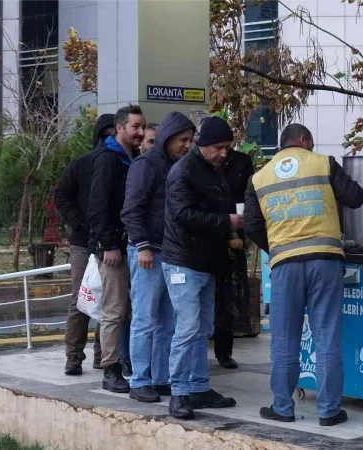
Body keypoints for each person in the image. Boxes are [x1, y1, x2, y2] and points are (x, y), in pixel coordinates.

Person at [244, 123, 363, 427]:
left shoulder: (259, 177)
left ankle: (282, 408)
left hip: (285, 264)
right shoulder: (324, 163)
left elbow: (250, 225)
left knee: (284, 340)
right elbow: (357, 197)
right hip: (325, 261)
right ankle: (328, 411)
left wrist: (275, 246)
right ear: (304, 140)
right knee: (327, 337)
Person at [162, 116, 241, 419]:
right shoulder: (183, 172)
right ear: (202, 145)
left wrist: (230, 231)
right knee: (188, 328)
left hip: (206, 262)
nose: (225, 153)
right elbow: (183, 215)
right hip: (183, 262)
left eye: (228, 147)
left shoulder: (213, 169)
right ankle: (179, 393)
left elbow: (215, 208)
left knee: (202, 329)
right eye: (219, 147)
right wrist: (227, 222)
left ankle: (199, 387)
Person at [122, 112, 195, 403]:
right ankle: (140, 380)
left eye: (190, 140)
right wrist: (141, 247)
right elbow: (131, 209)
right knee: (144, 319)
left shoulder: (179, 166)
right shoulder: (146, 165)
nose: (187, 146)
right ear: (168, 138)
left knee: (168, 321)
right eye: (182, 140)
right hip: (148, 252)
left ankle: (161, 377)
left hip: (172, 253)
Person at [88, 104, 146, 393]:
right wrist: (108, 245)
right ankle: (110, 369)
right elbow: (98, 207)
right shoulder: (107, 160)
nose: (140, 132)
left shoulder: (133, 158)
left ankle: (128, 363)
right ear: (119, 128)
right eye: (135, 127)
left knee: (132, 310)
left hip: (135, 246)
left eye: (142, 127)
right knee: (113, 311)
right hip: (115, 249)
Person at [55, 113, 112, 376]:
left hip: (111, 243)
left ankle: (103, 356)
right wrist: (79, 223)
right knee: (81, 300)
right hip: (83, 243)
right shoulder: (81, 164)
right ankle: (73, 357)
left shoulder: (124, 164)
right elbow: (61, 196)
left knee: (111, 302)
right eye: (107, 133)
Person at [212, 142, 255, 369]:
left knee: (229, 296)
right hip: (208, 233)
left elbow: (249, 197)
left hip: (235, 236)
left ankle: (224, 350)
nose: (223, 152)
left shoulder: (241, 162)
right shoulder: (198, 164)